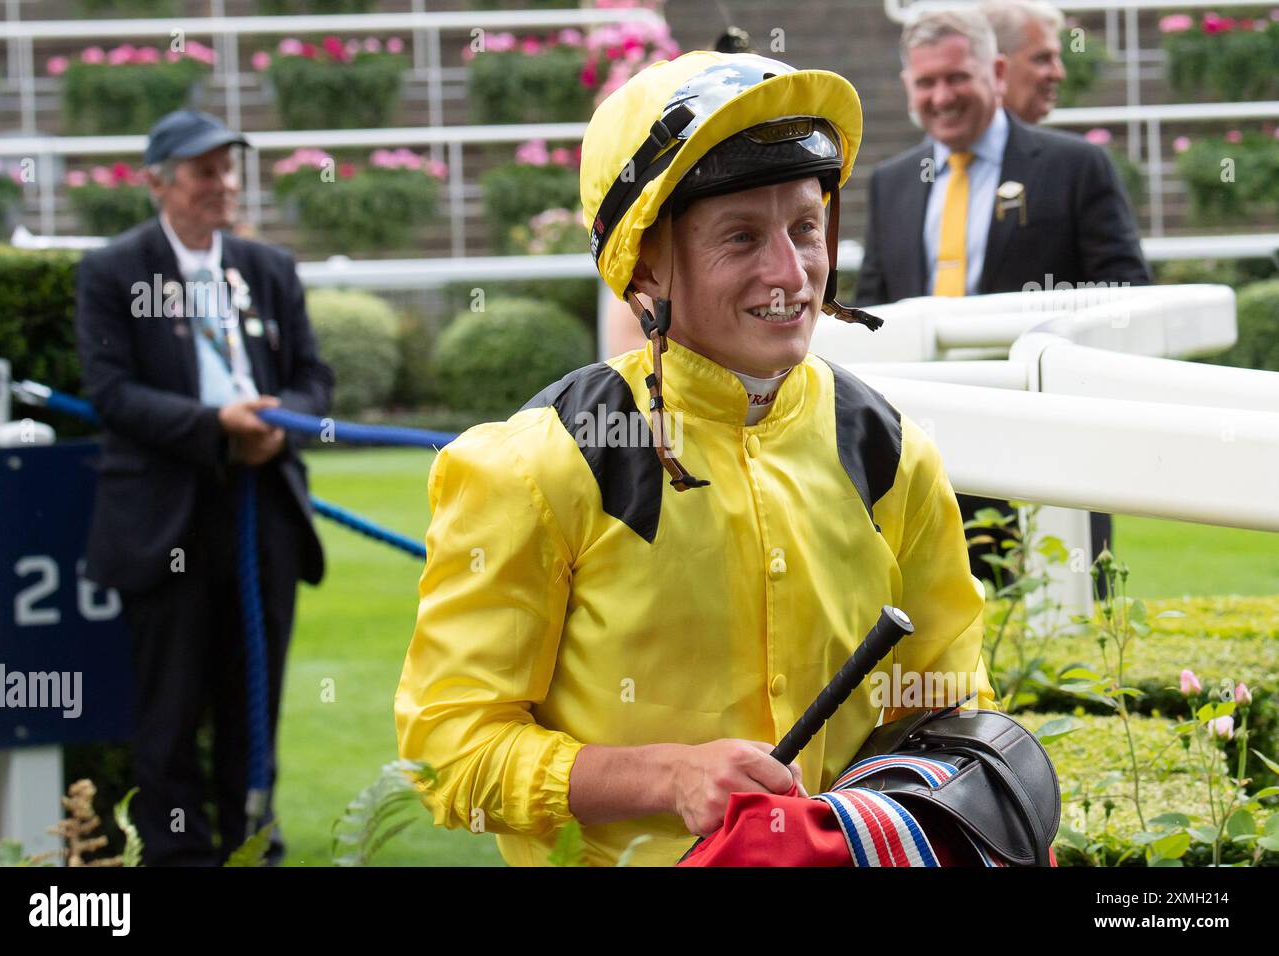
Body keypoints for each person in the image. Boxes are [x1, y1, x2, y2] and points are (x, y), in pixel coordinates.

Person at [396, 51, 996, 867]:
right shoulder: (533, 468)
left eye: (805, 227)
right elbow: (451, 755)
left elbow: (950, 714)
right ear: (643, 263)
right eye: (742, 237)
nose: (791, 274)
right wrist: (666, 778)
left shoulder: (891, 454)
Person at [75, 109, 334, 866]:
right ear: (157, 183)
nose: (221, 185)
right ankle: (175, 856)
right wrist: (216, 425)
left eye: (228, 169)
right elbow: (111, 392)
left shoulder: (267, 268)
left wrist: (281, 424)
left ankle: (251, 842)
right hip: (166, 522)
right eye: (203, 171)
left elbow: (314, 378)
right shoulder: (113, 271)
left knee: (252, 701)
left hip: (265, 513)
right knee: (170, 710)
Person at [855, 7, 1150, 584]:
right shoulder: (891, 183)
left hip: (1047, 451)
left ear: (993, 70)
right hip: (921, 457)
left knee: (1063, 634)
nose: (942, 96)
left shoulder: (1076, 167)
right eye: (927, 82)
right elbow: (876, 317)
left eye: (956, 77)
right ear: (907, 88)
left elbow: (1126, 297)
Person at [980, 0, 1066, 124]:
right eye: (1042, 59)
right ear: (996, 68)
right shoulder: (949, 142)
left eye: (1056, 58)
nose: (1058, 74)